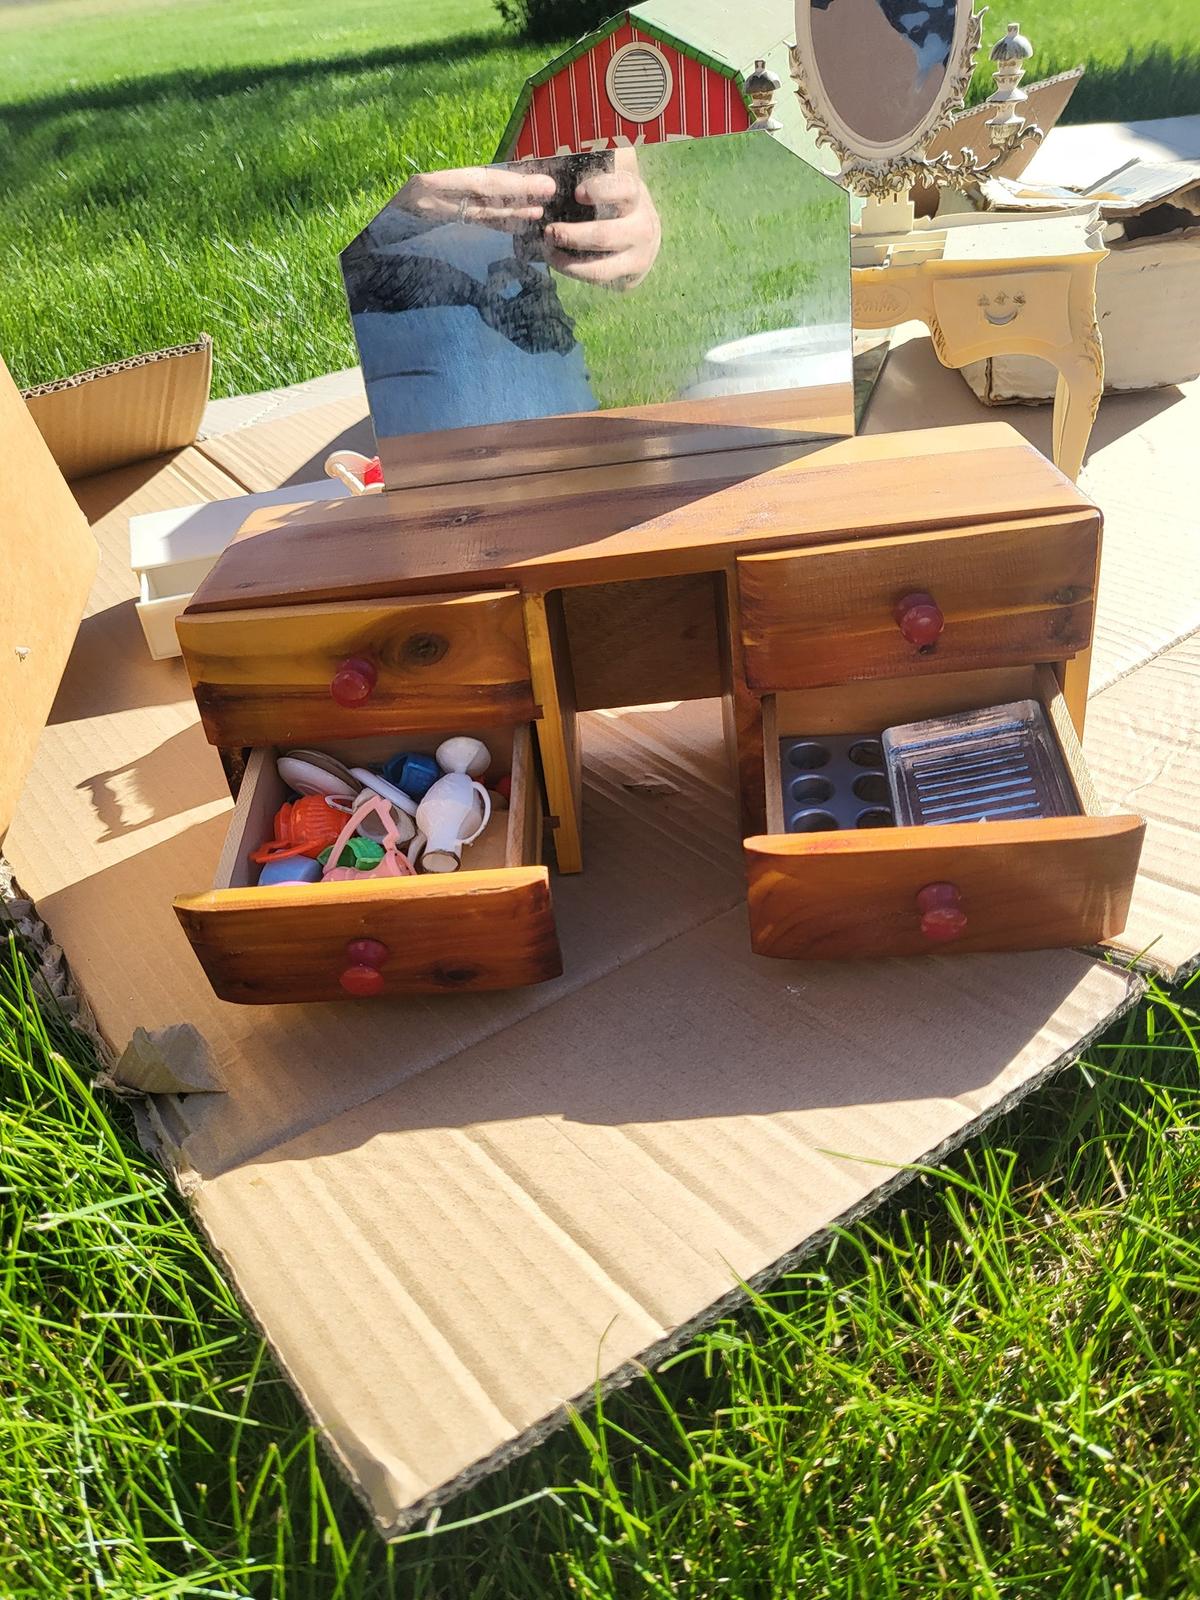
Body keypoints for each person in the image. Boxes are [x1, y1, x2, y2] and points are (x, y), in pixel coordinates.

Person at [341, 151, 661, 441]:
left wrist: (626, 209)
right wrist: (394, 213)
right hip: (409, 409)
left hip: (540, 383)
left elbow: (608, 150)